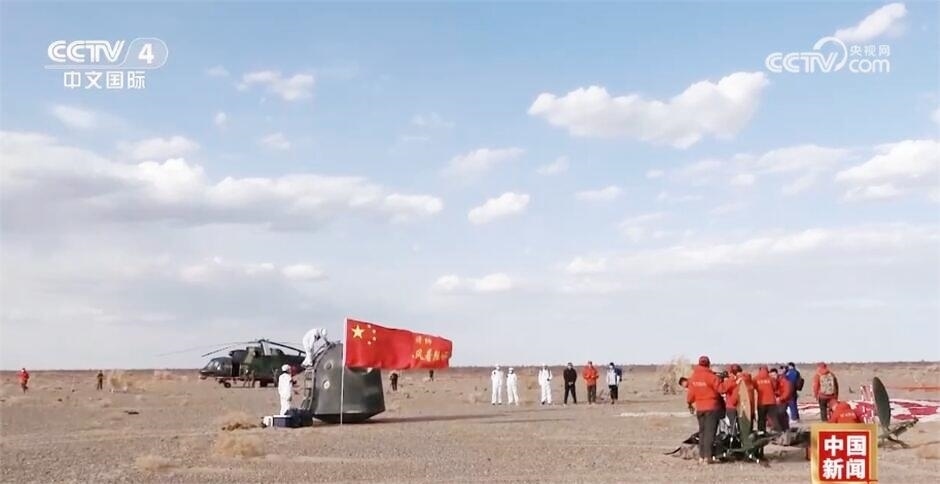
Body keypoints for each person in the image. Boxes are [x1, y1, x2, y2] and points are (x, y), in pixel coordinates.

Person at [686, 356, 726, 464]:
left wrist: (689, 403)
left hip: (700, 408)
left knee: (702, 433)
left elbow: (690, 395)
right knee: (710, 433)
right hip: (712, 408)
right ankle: (708, 457)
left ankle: (701, 456)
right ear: (708, 364)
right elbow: (721, 389)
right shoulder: (711, 377)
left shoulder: (693, 377)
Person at [754, 366, 778, 432]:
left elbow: (753, 387)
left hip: (761, 402)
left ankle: (761, 431)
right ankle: (776, 430)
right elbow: (775, 387)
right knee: (773, 417)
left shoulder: (755, 379)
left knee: (761, 417)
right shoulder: (771, 378)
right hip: (771, 401)